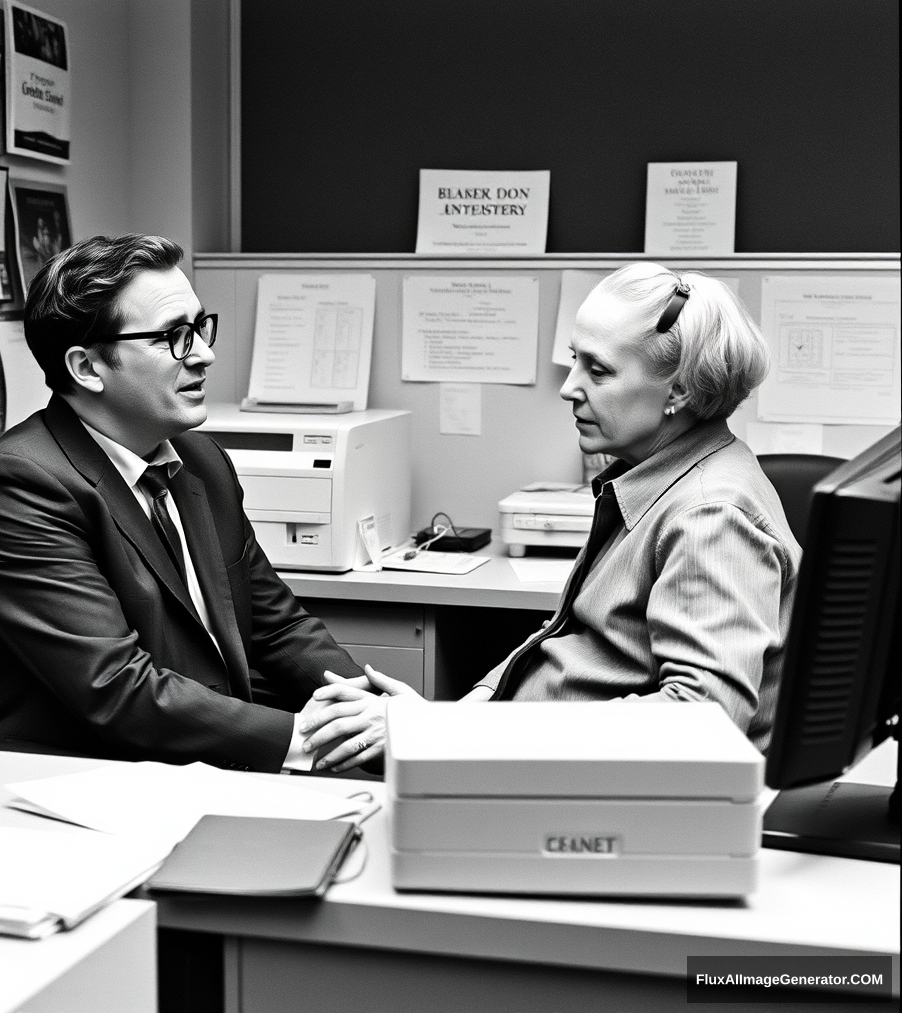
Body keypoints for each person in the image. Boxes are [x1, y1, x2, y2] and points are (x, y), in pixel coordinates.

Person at [302, 262, 802, 771]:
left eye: (599, 370)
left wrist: (462, 733)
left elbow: (701, 722)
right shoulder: (653, 480)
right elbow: (569, 640)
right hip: (544, 758)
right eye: (573, 361)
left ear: (677, 392)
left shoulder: (709, 517)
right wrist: (458, 718)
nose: (569, 387)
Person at [0, 234, 364, 772]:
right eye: (174, 337)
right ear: (88, 367)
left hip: (210, 755)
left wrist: (371, 714)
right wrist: (316, 740)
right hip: (90, 778)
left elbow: (276, 626)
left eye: (199, 328)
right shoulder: (18, 488)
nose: (206, 354)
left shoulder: (201, 462)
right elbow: (116, 690)